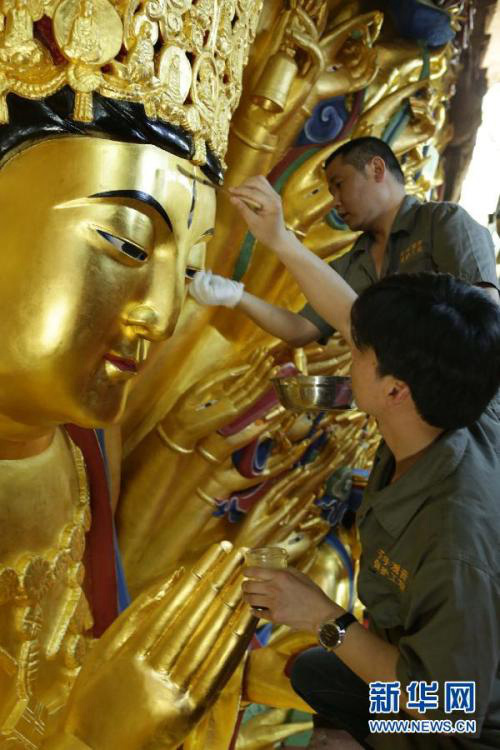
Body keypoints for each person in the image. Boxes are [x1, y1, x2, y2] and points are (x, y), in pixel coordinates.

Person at [227, 176, 500, 749]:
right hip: (442, 663)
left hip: (467, 720)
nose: (347, 355)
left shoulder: (455, 536)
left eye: (356, 353)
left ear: (395, 389)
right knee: (316, 674)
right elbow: (354, 315)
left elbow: (456, 705)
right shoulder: (455, 397)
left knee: (333, 684)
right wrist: (279, 240)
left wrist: (324, 616)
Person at [189, 137, 499, 344]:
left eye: (339, 185)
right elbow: (301, 329)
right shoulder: (355, 262)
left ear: (377, 168)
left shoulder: (443, 223)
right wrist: (235, 296)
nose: (334, 202)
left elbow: (485, 317)